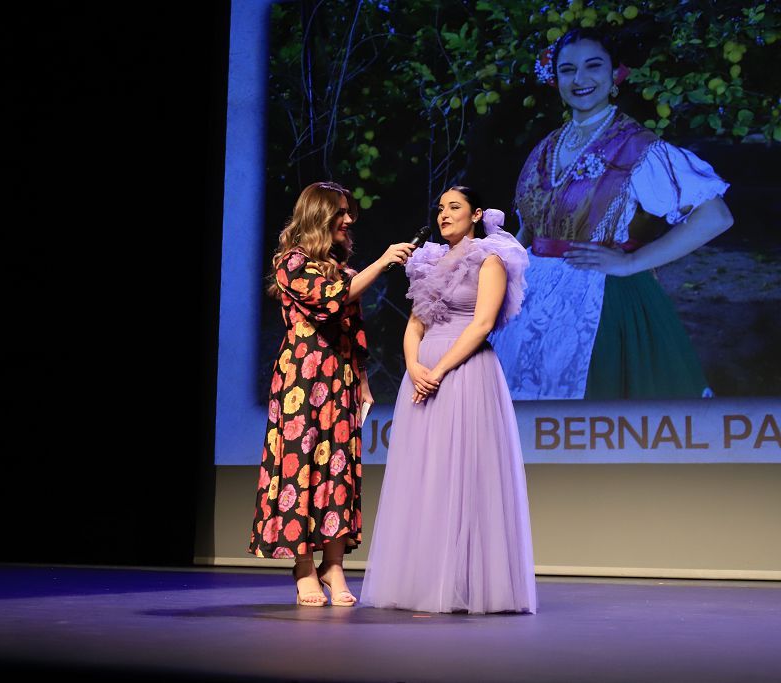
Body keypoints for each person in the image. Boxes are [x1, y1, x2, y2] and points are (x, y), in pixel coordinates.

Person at [490, 27, 734, 400]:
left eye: (593, 66)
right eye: (568, 70)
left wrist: (631, 262)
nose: (581, 79)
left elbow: (714, 215)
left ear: (614, 74)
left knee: (597, 416)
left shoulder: (636, 147)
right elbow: (529, 230)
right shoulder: (546, 148)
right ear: (556, 78)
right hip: (529, 311)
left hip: (602, 303)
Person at [361, 186, 537, 614]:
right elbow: (415, 325)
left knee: (463, 472)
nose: (444, 215)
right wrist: (414, 367)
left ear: (476, 214)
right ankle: (421, 581)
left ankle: (464, 584)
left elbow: (481, 325)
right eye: (440, 208)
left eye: (454, 207)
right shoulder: (428, 260)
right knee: (424, 474)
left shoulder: (490, 257)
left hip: (464, 373)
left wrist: (438, 372)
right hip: (422, 377)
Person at [248, 180, 416, 606]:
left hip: (339, 380)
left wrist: (362, 381)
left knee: (338, 470)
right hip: (301, 384)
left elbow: (352, 331)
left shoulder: (344, 270)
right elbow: (329, 302)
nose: (347, 220)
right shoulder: (291, 263)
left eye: (348, 214)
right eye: (340, 213)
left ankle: (334, 565)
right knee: (300, 468)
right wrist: (381, 263)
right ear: (319, 217)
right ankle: (304, 567)